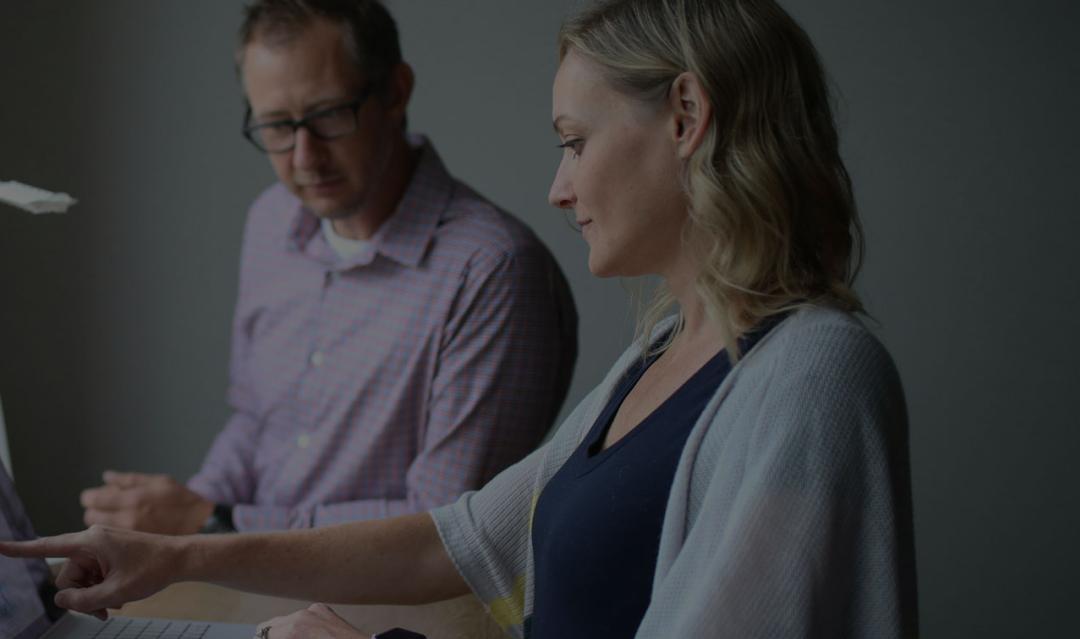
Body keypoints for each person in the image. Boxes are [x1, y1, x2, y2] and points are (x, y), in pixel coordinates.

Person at [3, 0, 918, 637]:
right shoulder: (663, 350)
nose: (558, 187)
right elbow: (468, 535)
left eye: (575, 141)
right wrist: (168, 552)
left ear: (685, 114)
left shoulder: (815, 373)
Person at [75, 0, 578, 535]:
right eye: (275, 126)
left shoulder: (492, 270)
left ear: (396, 92)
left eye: (328, 116)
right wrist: (176, 517)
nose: (303, 158)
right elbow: (256, 423)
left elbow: (442, 528)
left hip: (388, 613)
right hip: (245, 580)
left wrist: (217, 524)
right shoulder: (271, 221)